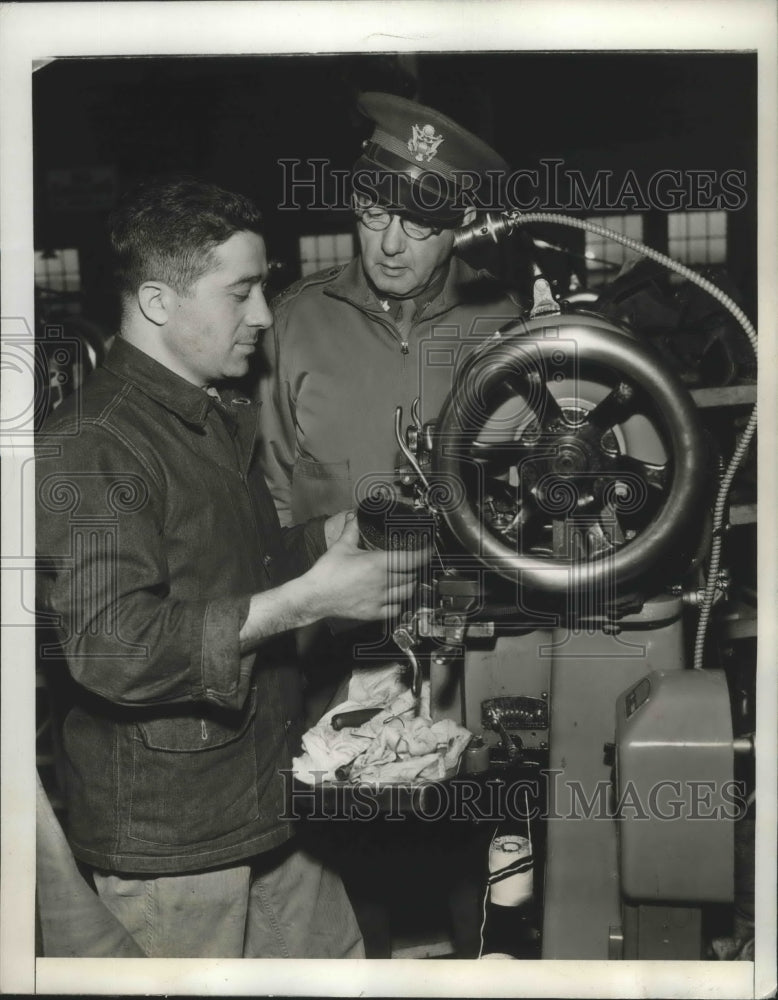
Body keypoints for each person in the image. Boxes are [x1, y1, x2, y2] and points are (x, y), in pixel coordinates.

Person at [35, 177, 425, 959]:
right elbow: (115, 647)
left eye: (265, 288)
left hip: (265, 802)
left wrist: (325, 540)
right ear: (156, 302)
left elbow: (227, 570)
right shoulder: (93, 443)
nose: (262, 315)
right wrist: (306, 601)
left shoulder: (205, 413)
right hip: (174, 846)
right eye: (241, 292)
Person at [257, 92, 524, 957]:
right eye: (374, 216)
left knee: (477, 879)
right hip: (330, 658)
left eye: (417, 223)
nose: (391, 244)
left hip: (469, 648)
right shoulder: (293, 324)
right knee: (343, 886)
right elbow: (265, 495)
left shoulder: (505, 324)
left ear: (460, 228)